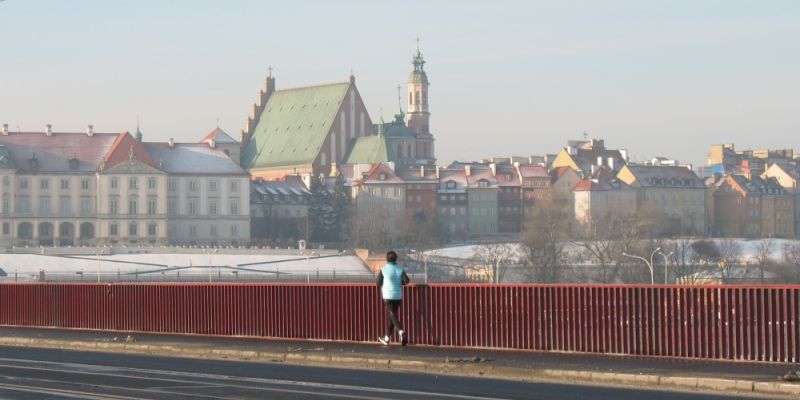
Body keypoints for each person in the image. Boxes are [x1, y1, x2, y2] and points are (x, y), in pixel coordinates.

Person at [376, 251, 410, 346]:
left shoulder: (383, 270)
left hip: (388, 296)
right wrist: (399, 283)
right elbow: (407, 280)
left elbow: (378, 283)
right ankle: (386, 338)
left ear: (387, 259)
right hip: (398, 296)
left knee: (392, 315)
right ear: (395, 259)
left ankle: (401, 332)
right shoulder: (400, 269)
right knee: (392, 316)